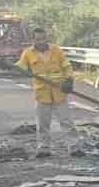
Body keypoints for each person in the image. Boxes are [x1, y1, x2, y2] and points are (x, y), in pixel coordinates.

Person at [15, 27, 75, 157]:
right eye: (38, 39)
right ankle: (44, 148)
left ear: (47, 38)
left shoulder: (56, 50)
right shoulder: (28, 53)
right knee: (43, 124)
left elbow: (67, 66)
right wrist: (7, 66)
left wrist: (69, 80)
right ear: (33, 40)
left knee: (67, 121)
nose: (41, 41)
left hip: (59, 91)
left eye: (43, 38)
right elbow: (19, 68)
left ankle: (74, 147)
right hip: (42, 94)